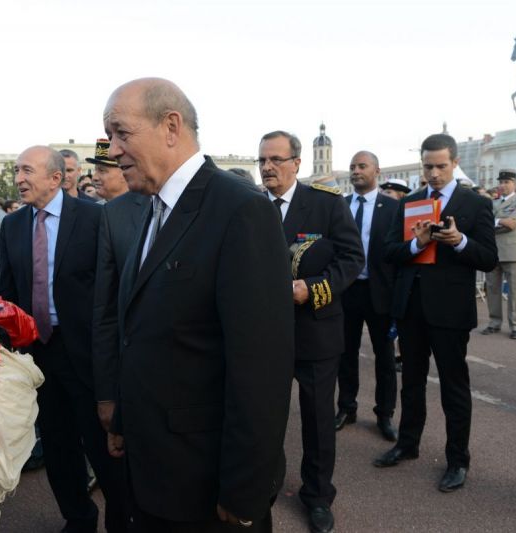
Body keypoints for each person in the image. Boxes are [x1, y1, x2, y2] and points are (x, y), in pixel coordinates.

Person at [101, 78, 293, 532]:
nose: (112, 150)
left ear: (171, 126)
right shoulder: (152, 206)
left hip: (204, 487)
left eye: (121, 133)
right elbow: (142, 330)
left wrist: (245, 488)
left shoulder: (240, 210)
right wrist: (124, 420)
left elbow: (260, 369)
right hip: (153, 471)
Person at [0, 146, 127, 532]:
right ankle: (79, 518)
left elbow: (112, 288)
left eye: (27, 171)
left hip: (86, 353)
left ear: (57, 178)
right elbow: (9, 292)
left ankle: (122, 521)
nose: (19, 179)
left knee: (103, 446)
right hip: (38, 354)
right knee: (57, 446)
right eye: (17, 171)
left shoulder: (95, 218)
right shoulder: (12, 225)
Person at [375, 134, 497, 494]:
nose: (433, 173)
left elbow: (488, 258)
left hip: (450, 311)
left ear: (455, 163)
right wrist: (419, 243)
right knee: (411, 382)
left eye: (441, 166)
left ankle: (457, 459)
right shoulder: (411, 201)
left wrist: (458, 241)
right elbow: (391, 252)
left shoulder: (474, 204)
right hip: (411, 307)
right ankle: (407, 444)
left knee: (453, 387)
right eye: (428, 166)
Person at [259, 130, 363, 533]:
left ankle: (318, 495)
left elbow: (352, 259)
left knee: (318, 420)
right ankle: (263, 483)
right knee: (264, 415)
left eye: (276, 160)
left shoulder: (326, 205)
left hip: (315, 329)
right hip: (264, 334)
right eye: (263, 160)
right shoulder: (249, 206)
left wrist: (313, 288)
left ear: (297, 164)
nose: (268, 167)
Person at [336, 151, 399, 442]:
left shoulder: (393, 208)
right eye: (352, 167)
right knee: (344, 353)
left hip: (380, 293)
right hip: (347, 291)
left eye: (362, 166)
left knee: (384, 357)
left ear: (377, 171)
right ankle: (346, 407)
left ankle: (384, 414)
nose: (356, 171)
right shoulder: (341, 205)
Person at [91, 138, 149, 436]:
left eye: (104, 169)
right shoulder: (110, 214)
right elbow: (106, 307)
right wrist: (106, 393)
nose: (95, 176)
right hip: (130, 370)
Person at [482, 170, 516, 339]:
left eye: (507, 182)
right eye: (501, 182)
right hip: (493, 251)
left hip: (513, 252)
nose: (502, 186)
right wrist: (501, 220)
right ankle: (494, 322)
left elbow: (512, 224)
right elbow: (484, 223)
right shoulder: (492, 203)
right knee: (492, 290)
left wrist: (496, 221)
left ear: (514, 184)